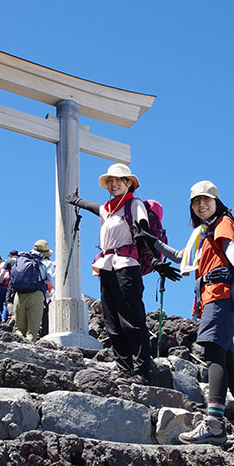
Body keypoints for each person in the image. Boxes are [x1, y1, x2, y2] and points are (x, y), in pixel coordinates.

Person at [139, 180, 234, 444]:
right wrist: (152, 241)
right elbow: (181, 256)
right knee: (226, 360)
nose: (201, 205)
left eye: (206, 200)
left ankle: (214, 424)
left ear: (216, 202)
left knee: (212, 351)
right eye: (196, 201)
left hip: (221, 295)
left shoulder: (222, 223)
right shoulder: (203, 233)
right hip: (217, 297)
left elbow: (230, 248)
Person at [67, 163, 180, 383]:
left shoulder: (134, 204)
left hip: (127, 266)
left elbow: (143, 233)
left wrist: (156, 260)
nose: (113, 184)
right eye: (110, 181)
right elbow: (93, 207)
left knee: (132, 318)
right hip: (107, 266)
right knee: (111, 321)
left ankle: (141, 370)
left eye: (118, 180)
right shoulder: (108, 209)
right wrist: (77, 201)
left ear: (129, 183)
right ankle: (124, 369)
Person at [12, 240, 55, 342]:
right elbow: (54, 282)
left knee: (19, 329)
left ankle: (17, 348)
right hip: (36, 296)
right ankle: (28, 354)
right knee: (32, 331)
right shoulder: (46, 263)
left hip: (19, 295)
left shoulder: (22, 259)